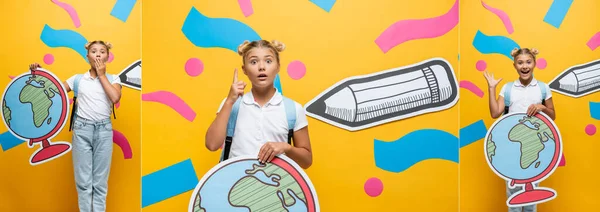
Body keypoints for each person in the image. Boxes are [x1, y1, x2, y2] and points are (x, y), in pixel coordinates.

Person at [30, 40, 122, 212]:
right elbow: (54, 91)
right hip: (82, 131)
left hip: (104, 132)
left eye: (102, 51)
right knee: (84, 184)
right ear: (87, 56)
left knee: (100, 185)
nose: (98, 54)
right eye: (94, 51)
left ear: (108, 56)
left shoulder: (113, 78)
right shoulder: (78, 79)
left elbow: (115, 98)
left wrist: (102, 75)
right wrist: (40, 74)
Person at [205, 40, 313, 169]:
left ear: (278, 66)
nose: (261, 67)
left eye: (268, 61)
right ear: (244, 69)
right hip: (234, 185)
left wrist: (286, 148)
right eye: (253, 62)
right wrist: (229, 101)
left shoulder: (293, 109)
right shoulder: (232, 105)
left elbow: (306, 161)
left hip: (275, 185)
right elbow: (212, 145)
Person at [483, 47, 556, 212]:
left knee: (532, 198)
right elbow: (495, 113)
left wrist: (541, 107)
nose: (525, 66)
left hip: (534, 147)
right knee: (513, 197)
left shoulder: (543, 88)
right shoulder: (508, 89)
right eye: (520, 62)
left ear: (534, 64)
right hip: (512, 148)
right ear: (514, 65)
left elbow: (552, 116)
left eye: (528, 62)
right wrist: (492, 88)